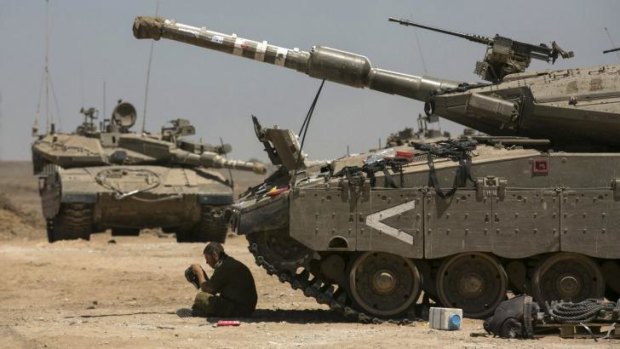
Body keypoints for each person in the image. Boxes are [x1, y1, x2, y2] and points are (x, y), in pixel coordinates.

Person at [186, 242, 258, 317]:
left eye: (207, 258)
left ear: (214, 255)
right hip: (245, 308)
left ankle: (200, 313)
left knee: (201, 297)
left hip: (239, 310)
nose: (207, 262)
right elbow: (215, 287)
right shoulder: (227, 263)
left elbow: (208, 289)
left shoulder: (225, 267)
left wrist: (199, 272)